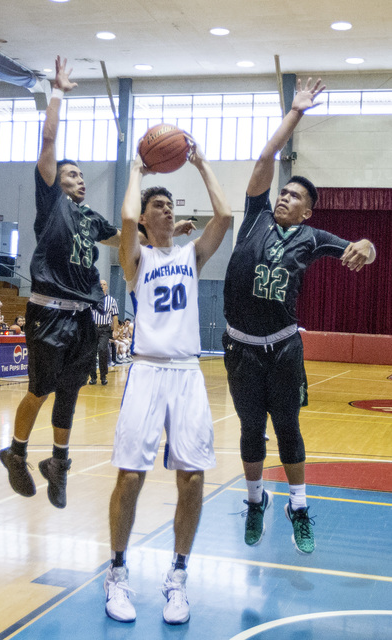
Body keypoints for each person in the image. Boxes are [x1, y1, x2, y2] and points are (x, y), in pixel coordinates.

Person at [222, 78, 376, 555]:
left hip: (284, 347)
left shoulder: (312, 238)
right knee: (251, 430)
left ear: (308, 210)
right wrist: (296, 114)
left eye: (294, 196)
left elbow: (361, 247)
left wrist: (367, 249)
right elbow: (266, 158)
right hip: (240, 346)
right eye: (283, 192)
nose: (284, 197)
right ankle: (255, 500)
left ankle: (299, 506)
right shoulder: (255, 216)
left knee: (287, 427)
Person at [104, 144, 231, 625]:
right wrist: (137, 171)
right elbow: (126, 216)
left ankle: (177, 578)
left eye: (170, 203)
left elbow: (223, 214)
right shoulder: (135, 258)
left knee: (193, 476)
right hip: (147, 369)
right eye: (158, 204)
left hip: (187, 373)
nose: (167, 207)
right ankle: (116, 574)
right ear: (145, 220)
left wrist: (201, 163)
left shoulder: (190, 256)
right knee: (131, 475)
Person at [0, 56, 123, 510]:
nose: (80, 180)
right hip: (48, 310)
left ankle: (59, 463)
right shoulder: (52, 203)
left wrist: (167, 232)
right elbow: (48, 140)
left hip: (85, 316)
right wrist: (57, 92)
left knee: (70, 389)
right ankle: (15, 451)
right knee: (41, 387)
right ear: (55, 180)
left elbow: (126, 236)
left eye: (82, 176)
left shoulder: (91, 219)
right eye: (72, 174)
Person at [89, 279, 119, 385]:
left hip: (105, 329)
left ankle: (103, 376)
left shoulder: (112, 300)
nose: (102, 286)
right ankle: (93, 376)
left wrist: (115, 330)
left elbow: (115, 316)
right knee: (91, 352)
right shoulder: (92, 299)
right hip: (92, 329)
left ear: (107, 287)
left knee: (102, 350)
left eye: (104, 284)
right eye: (100, 284)